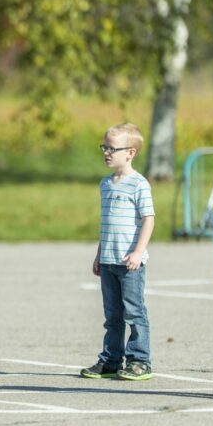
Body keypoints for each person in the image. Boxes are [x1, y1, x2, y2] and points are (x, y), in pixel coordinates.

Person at [80, 123, 155, 381]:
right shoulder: (106, 184)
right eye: (105, 147)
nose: (107, 153)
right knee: (112, 315)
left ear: (130, 152)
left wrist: (138, 252)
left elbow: (148, 219)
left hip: (130, 262)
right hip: (110, 260)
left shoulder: (139, 184)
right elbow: (107, 224)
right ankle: (111, 360)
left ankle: (139, 360)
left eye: (112, 148)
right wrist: (100, 254)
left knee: (133, 311)